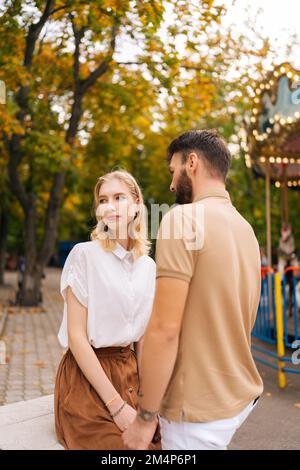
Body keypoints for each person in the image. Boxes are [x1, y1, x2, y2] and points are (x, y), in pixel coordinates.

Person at [123, 129, 263, 450]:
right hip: (237, 397)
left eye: (173, 170)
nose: (172, 184)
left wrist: (145, 419)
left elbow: (164, 330)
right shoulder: (246, 230)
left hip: (195, 411)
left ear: (192, 162)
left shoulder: (181, 219)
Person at [54, 169, 161, 450]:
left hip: (131, 374)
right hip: (86, 378)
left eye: (119, 197)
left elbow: (142, 340)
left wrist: (148, 399)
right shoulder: (84, 255)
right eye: (103, 200)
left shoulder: (148, 267)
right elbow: (77, 338)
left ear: (137, 204)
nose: (109, 206)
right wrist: (115, 405)